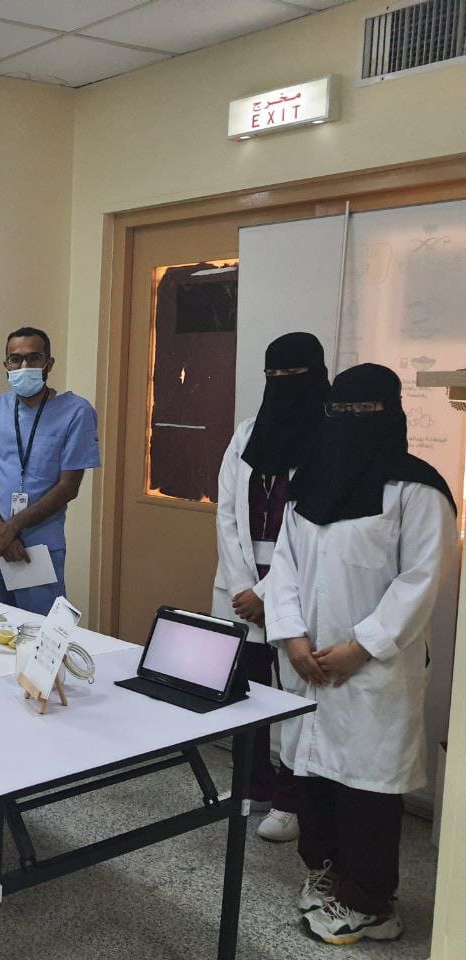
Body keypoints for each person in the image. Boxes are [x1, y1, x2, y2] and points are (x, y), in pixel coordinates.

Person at [264, 363, 456, 946]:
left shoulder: (418, 490)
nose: (347, 421)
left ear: (390, 414)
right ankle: (327, 873)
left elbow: (421, 580)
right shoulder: (308, 484)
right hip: (308, 661)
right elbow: (285, 568)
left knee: (368, 787)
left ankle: (373, 904)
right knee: (315, 775)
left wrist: (360, 648)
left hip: (373, 669)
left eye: (363, 410)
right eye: (338, 409)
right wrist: (292, 636)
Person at [213, 332, 328, 843]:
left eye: (293, 376)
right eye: (272, 376)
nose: (281, 385)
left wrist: (268, 592)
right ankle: (252, 785)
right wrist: (245, 586)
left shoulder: (328, 439)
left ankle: (290, 799)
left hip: (297, 583)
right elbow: (226, 512)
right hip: (239, 585)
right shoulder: (246, 435)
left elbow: (314, 526)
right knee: (245, 690)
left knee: (296, 697)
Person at [0, 326, 100, 615]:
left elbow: (68, 487)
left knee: (37, 628)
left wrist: (12, 528)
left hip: (38, 547)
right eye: (15, 359)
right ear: (6, 365)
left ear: (48, 363)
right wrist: (0, 533)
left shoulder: (76, 412)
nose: (24, 366)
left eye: (33, 358)